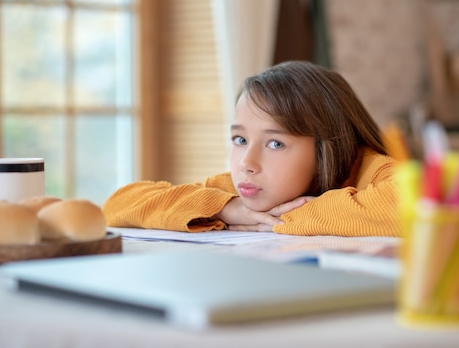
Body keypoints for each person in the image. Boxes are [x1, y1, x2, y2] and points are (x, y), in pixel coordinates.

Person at [103, 61, 401, 237]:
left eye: (275, 143)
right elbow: (118, 204)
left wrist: (279, 220)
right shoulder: (243, 193)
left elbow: (414, 206)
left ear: (326, 151)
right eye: (240, 140)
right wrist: (228, 209)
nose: (247, 162)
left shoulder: (374, 170)